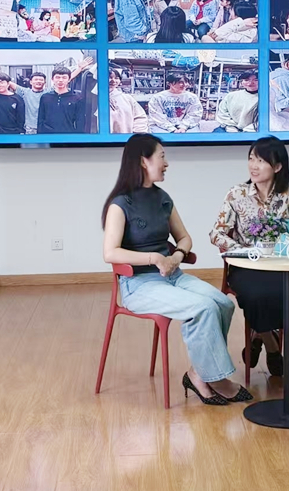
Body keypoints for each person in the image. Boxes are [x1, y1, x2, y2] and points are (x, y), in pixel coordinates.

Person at [102, 134, 252, 405]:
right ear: (143, 161)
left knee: (222, 303)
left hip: (173, 275)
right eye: (162, 156)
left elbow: (184, 237)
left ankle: (198, 373)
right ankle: (216, 379)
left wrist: (177, 256)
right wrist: (154, 258)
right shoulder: (120, 204)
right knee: (203, 308)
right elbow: (110, 253)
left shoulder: (163, 198)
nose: (166, 163)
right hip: (139, 284)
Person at [210, 137, 289, 376]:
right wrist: (242, 250)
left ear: (277, 166)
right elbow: (216, 234)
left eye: (261, 161)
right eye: (251, 159)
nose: (253, 166)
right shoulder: (237, 194)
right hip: (247, 264)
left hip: (281, 264)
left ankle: (257, 337)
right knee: (257, 296)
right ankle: (273, 347)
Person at [38, 67, 87, 133]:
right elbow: (40, 119)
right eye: (57, 77)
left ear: (69, 79)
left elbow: (80, 121)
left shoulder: (77, 98)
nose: (60, 80)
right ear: (52, 79)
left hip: (68, 135)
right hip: (48, 135)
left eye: (64, 78)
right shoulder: (45, 97)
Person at [108, 68, 148, 134]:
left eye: (116, 78)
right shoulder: (94, 98)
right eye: (109, 77)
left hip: (125, 137)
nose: (113, 80)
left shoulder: (127, 98)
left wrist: (138, 134)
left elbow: (140, 117)